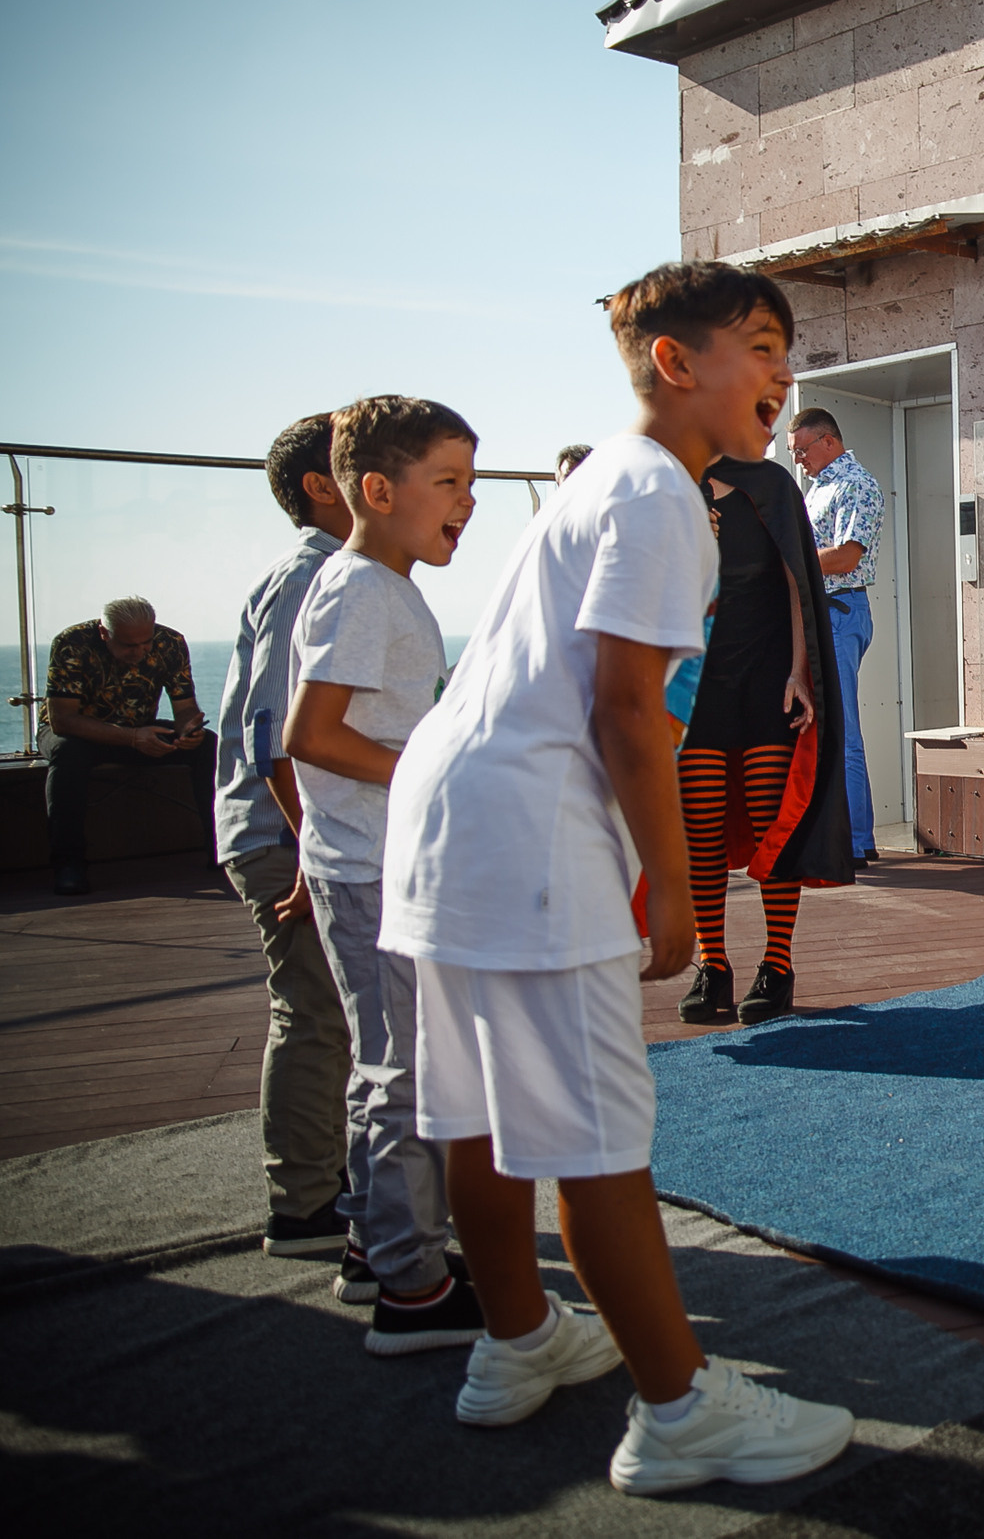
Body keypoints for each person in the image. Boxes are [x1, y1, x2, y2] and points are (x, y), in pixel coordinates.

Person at [380, 260, 853, 1492]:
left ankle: (517, 1342)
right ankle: (680, 1412)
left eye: (786, 349)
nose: (781, 371)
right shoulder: (656, 495)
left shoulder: (604, 485)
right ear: (675, 363)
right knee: (597, 1137)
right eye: (759, 344)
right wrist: (675, 891)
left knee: (481, 1113)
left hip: (449, 819)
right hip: (531, 831)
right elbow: (633, 715)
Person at [284, 396, 487, 1352]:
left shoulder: (379, 585)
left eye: (473, 482)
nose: (470, 500)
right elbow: (312, 736)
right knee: (406, 1071)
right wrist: (431, 767)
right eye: (448, 482)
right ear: (377, 488)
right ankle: (414, 1287)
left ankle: (375, 1247)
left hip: (363, 861)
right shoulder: (364, 587)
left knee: (384, 1063)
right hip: (375, 870)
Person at [213, 413, 356, 1259]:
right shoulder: (313, 579)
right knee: (314, 1015)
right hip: (288, 838)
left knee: (323, 1013)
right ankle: (304, 1206)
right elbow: (276, 733)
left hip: (294, 833)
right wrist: (308, 849)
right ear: (321, 485)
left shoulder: (330, 575)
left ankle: (320, 1186)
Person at [676, 450, 864, 1026]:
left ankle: (776, 966)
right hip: (695, 682)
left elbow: (798, 582)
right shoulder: (666, 482)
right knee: (699, 830)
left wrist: (800, 670)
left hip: (767, 678)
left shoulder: (772, 485)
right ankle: (713, 966)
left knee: (770, 824)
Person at [42, 597, 214, 894]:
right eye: (128, 645)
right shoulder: (71, 644)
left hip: (138, 728)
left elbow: (184, 706)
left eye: (145, 643)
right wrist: (133, 738)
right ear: (103, 633)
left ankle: (219, 848)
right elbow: (63, 721)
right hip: (80, 733)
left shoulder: (170, 643)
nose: (139, 652)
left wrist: (188, 728)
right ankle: (68, 863)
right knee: (68, 753)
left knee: (208, 745)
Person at [786, 408, 882, 861]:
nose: (799, 460)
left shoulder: (855, 484)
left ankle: (857, 840)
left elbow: (845, 557)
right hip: (820, 613)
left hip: (840, 612)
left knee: (842, 731)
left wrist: (788, 560)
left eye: (802, 450)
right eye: (793, 454)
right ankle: (838, 834)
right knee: (822, 730)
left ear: (828, 441)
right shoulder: (818, 487)